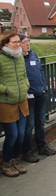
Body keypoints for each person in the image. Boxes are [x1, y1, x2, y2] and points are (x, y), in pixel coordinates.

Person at [20, 34, 56, 163]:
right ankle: (27, 151)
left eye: (28, 41)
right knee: (29, 125)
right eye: (24, 42)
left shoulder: (33, 55)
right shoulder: (18, 59)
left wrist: (44, 86)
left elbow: (40, 71)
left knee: (40, 122)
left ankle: (42, 146)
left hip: (40, 93)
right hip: (28, 96)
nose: (27, 44)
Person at [0, 31, 30, 177]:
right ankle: (6, 163)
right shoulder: (0, 58)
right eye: (14, 42)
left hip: (22, 101)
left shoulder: (19, 57)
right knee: (12, 135)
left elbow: (24, 75)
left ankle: (15, 161)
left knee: (21, 135)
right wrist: (6, 90)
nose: (18, 44)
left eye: (19, 41)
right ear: (6, 43)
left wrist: (26, 85)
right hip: (7, 103)